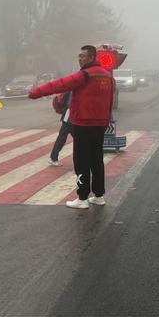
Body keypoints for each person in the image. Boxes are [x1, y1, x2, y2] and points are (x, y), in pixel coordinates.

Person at [29, 45, 114, 209]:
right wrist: (106, 121)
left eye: (83, 56)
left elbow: (59, 85)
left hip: (83, 124)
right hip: (99, 125)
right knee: (97, 161)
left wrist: (35, 92)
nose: (80, 58)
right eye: (79, 56)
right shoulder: (107, 76)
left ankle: (82, 198)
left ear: (91, 57)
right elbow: (109, 101)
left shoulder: (84, 75)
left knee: (81, 161)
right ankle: (98, 195)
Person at [49, 91, 73, 167]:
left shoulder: (71, 88)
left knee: (61, 138)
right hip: (71, 117)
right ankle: (53, 158)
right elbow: (70, 103)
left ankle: (53, 158)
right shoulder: (74, 89)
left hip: (69, 117)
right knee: (80, 140)